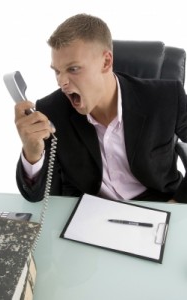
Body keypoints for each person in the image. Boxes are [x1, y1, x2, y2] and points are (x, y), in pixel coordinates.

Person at [14, 13, 187, 203]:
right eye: (57, 71)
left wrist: (178, 202)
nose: (61, 82)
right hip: (91, 211)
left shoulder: (165, 97)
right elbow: (36, 197)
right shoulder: (51, 110)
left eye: (73, 69)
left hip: (158, 204)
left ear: (106, 62)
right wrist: (32, 153)